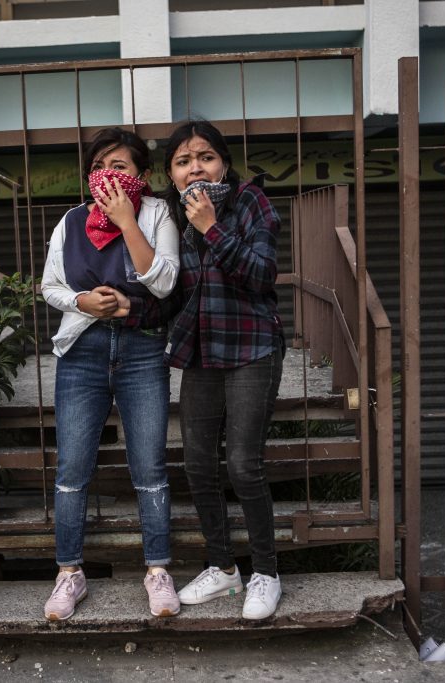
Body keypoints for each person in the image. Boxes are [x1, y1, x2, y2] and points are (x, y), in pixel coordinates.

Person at [40, 127, 181, 621]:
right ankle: (68, 574)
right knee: (73, 469)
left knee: (150, 467)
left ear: (141, 174)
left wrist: (126, 222)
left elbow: (164, 283)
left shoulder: (157, 213)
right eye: (101, 165)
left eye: (121, 166)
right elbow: (50, 286)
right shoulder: (71, 221)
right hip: (82, 349)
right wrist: (82, 301)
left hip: (142, 350)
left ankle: (158, 569)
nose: (110, 174)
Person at [162, 119, 285, 620]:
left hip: (253, 345)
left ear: (225, 163)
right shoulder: (168, 215)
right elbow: (168, 290)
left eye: (206, 156)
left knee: (242, 465)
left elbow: (262, 275)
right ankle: (223, 568)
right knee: (195, 465)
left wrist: (212, 227)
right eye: (183, 161)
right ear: (171, 175)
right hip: (201, 351)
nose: (196, 167)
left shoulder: (250, 202)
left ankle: (266, 573)